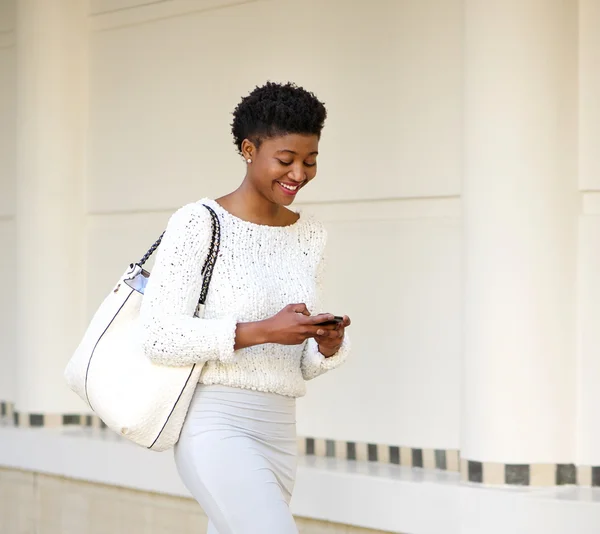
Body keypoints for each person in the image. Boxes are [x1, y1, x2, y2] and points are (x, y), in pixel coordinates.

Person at [140, 81, 351, 534]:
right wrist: (265, 329)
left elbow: (296, 362)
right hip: (215, 423)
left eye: (310, 161)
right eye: (286, 160)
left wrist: (325, 345)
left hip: (278, 429)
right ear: (249, 149)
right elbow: (159, 337)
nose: (299, 173)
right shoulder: (199, 222)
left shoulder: (310, 235)